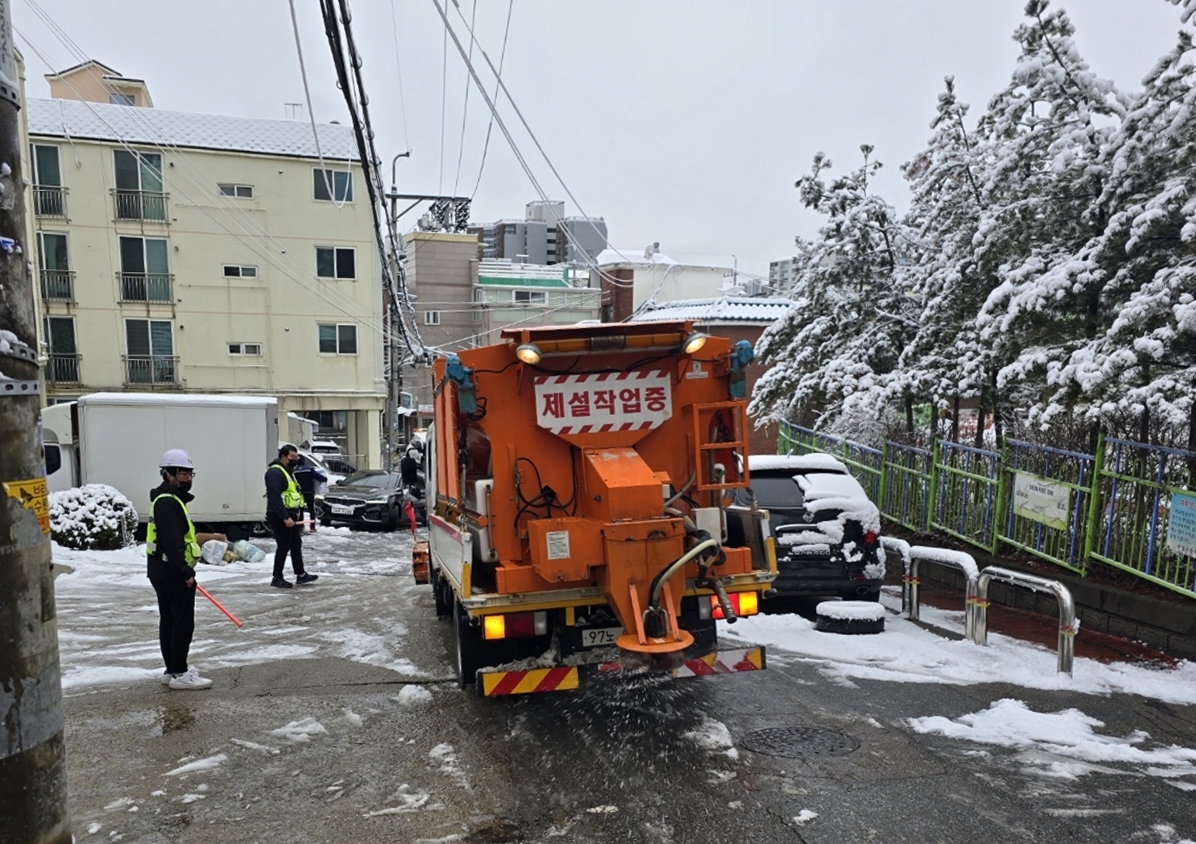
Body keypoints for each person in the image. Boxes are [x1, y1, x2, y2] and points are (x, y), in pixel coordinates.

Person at [146, 448, 212, 690]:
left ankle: (172, 669)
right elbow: (173, 543)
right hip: (171, 572)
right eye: (183, 473)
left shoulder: (168, 499)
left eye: (190, 473)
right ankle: (180, 673)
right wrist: (185, 573)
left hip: (162, 570)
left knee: (170, 621)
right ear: (168, 474)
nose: (188, 478)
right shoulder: (167, 503)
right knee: (182, 623)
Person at [265, 444, 319, 588]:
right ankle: (277, 577)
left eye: (297, 457)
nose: (295, 460)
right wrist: (285, 517)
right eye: (292, 457)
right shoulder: (275, 473)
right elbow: (274, 497)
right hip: (279, 514)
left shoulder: (287, 471)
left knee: (296, 543)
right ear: (283, 457)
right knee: (283, 545)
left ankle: (301, 574)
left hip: (290, 513)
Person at [292, 454, 327, 534]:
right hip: (309, 492)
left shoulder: (295, 471)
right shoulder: (309, 470)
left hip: (299, 493)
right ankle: (312, 526)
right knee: (311, 510)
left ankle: (301, 525)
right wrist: (324, 479)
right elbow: (319, 477)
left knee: (300, 510)